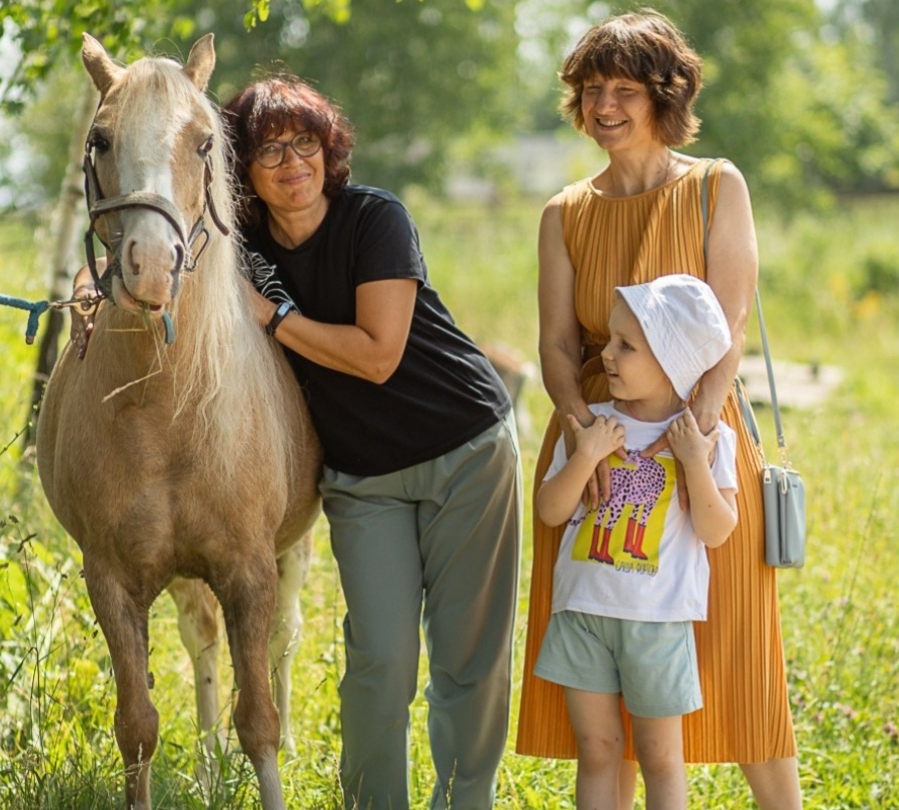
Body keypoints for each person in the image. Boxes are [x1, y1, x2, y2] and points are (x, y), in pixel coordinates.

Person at [517, 10, 803, 810]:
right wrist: (582, 436)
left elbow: (730, 325)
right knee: (612, 677)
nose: (604, 106)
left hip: (694, 439)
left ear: (664, 95)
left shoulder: (717, 185)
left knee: (740, 649)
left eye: (624, 90)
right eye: (591, 89)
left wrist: (695, 437)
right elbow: (554, 344)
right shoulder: (563, 211)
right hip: (597, 446)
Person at [222, 77, 522, 810]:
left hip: (466, 451)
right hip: (362, 478)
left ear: (330, 149)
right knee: (380, 660)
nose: (293, 161)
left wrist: (271, 318)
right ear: (243, 171)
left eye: (306, 142)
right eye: (269, 149)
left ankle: (465, 802)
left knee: (467, 659)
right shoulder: (238, 246)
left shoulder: (375, 218)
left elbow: (377, 354)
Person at [534, 275, 738, 810]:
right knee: (596, 749)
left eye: (626, 345)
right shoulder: (591, 426)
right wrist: (583, 455)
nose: (606, 354)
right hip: (583, 616)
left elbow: (718, 530)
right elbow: (549, 511)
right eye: (609, 340)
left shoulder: (708, 439)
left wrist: (694, 461)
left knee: (661, 756)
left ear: (673, 361)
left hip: (659, 620)